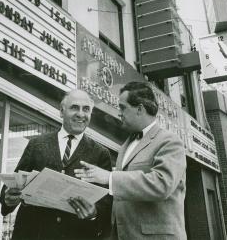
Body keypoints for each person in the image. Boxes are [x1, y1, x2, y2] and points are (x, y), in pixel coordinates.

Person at [75, 81, 187, 240]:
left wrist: (109, 177)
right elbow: (122, 193)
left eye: (122, 107)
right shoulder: (125, 146)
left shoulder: (170, 141)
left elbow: (162, 184)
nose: (119, 113)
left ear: (140, 109)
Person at [0, 89, 112, 240]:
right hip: (33, 233)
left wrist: (94, 213)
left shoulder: (100, 153)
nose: (81, 114)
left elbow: (106, 202)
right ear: (61, 111)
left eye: (86, 109)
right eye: (74, 107)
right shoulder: (37, 144)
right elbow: (13, 182)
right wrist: (7, 198)